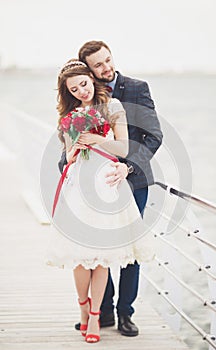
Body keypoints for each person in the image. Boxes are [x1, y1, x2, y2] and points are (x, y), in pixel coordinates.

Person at [47, 59, 156, 343]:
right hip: (80, 184)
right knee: (81, 258)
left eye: (84, 84)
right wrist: (76, 145)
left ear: (91, 80)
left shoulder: (113, 106)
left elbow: (122, 147)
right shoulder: (70, 115)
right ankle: (83, 309)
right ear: (68, 92)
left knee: (103, 256)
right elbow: (69, 157)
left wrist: (95, 140)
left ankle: (96, 317)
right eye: (74, 89)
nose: (81, 91)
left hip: (107, 182)